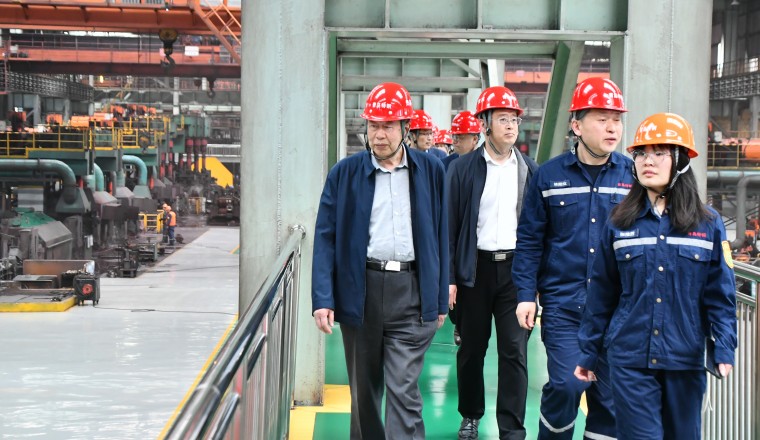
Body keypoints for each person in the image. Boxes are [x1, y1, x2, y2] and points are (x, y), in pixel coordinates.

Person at [574, 112, 737, 439]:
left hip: (684, 358)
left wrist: (723, 348)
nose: (647, 161)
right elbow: (601, 293)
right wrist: (589, 352)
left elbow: (720, 295)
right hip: (629, 358)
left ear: (681, 161)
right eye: (641, 154)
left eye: (659, 153)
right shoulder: (619, 223)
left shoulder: (707, 224)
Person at [312, 82, 449, 440]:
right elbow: (326, 238)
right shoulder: (344, 174)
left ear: (405, 128)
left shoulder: (431, 171)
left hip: (411, 291)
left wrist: (438, 299)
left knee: (404, 390)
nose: (379, 134)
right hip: (362, 292)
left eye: (388, 126)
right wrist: (323, 298)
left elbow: (441, 235)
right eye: (374, 125)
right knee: (365, 393)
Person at [512, 77, 632, 440]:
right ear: (577, 126)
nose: (612, 128)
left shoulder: (632, 176)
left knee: (610, 401)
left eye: (616, 120)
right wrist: (525, 294)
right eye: (602, 119)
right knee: (567, 385)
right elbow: (530, 240)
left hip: (617, 309)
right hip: (565, 306)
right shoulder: (549, 176)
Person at [447, 85, 538, 440]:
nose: (511, 126)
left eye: (514, 119)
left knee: (514, 351)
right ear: (485, 124)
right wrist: (450, 278)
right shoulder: (463, 169)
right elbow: (449, 226)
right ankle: (470, 415)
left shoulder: (529, 171)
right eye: (503, 119)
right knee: (472, 349)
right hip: (475, 270)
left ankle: (511, 429)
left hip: (516, 272)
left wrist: (536, 284)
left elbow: (538, 230)